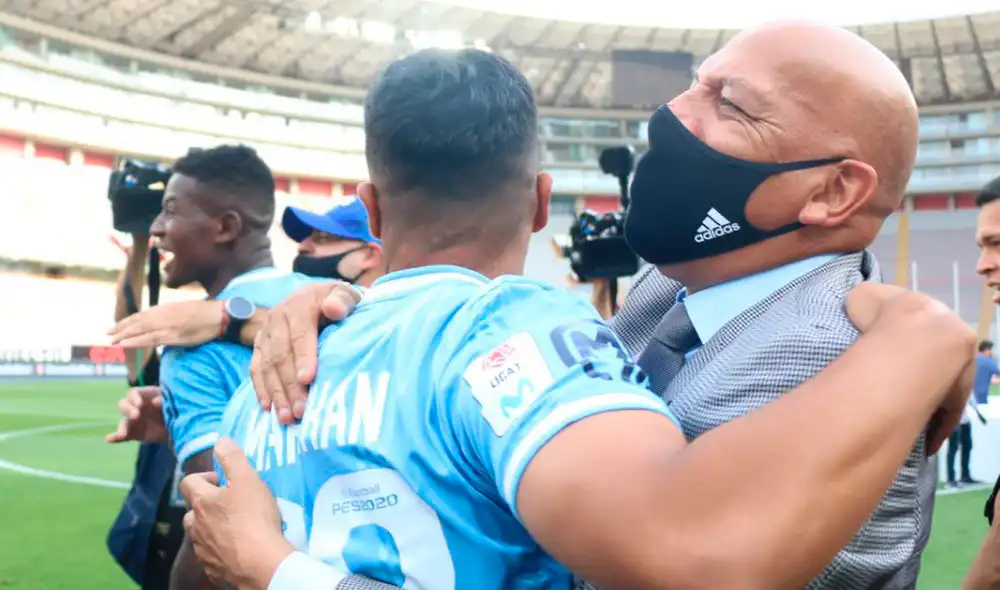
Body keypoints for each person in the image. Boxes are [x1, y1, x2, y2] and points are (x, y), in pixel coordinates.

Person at [178, 46, 975, 590]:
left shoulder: (835, 358)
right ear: (537, 203)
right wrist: (333, 309)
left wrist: (279, 571)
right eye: (694, 83)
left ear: (833, 192)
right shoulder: (664, 298)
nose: (671, 114)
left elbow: (697, 555)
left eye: (728, 105)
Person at [142, 144, 322, 589]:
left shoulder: (190, 345)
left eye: (169, 212)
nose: (156, 229)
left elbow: (218, 505)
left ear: (225, 227)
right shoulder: (332, 296)